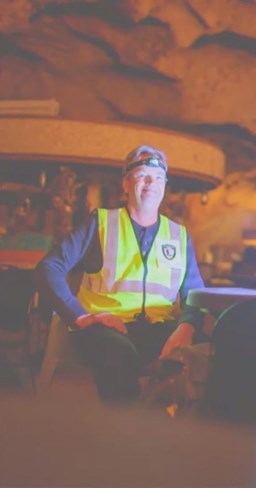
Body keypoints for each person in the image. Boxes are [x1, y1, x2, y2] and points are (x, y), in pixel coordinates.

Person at [36, 145, 205, 402]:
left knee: (211, 350)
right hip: (106, 327)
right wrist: (80, 317)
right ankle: (129, 430)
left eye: (158, 178)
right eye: (142, 176)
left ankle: (163, 422)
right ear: (126, 184)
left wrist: (186, 327)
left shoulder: (178, 235)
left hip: (160, 328)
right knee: (117, 355)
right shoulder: (101, 222)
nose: (151, 183)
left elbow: (195, 293)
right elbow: (49, 268)